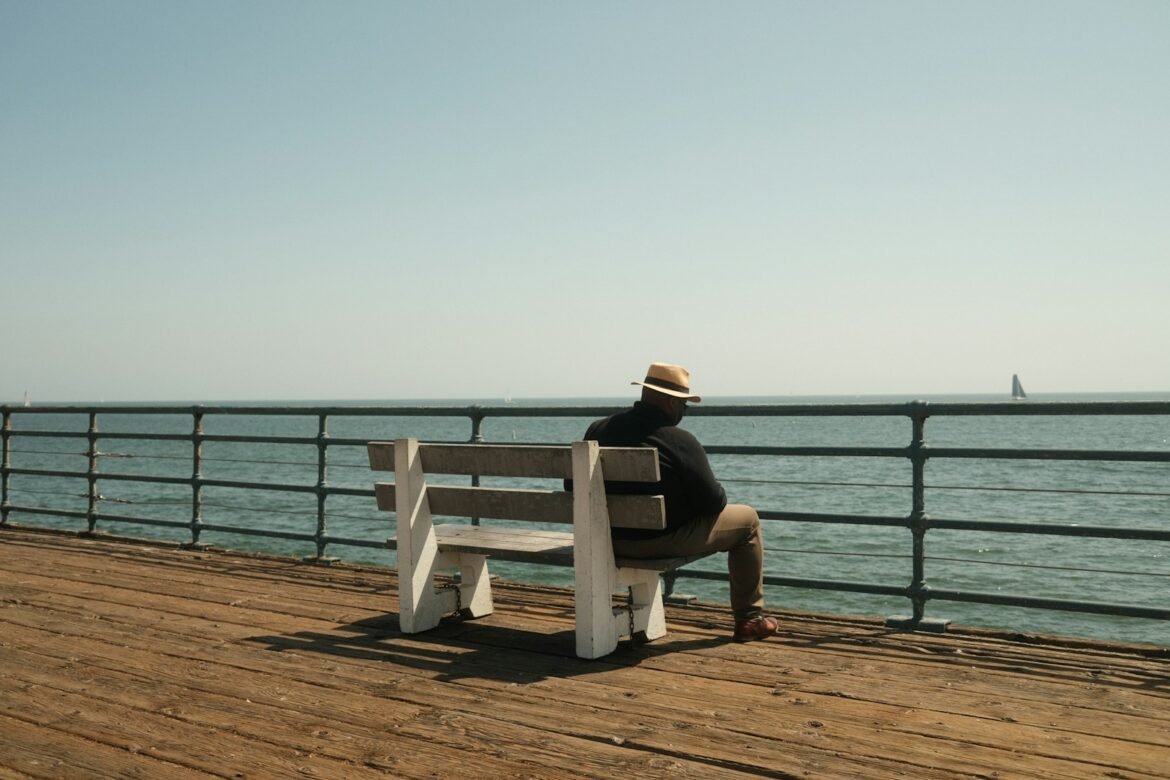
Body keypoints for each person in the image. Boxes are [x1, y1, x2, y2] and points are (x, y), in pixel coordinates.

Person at [581, 362, 778, 642]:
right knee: (748, 521)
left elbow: (572, 487)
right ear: (671, 402)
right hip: (658, 542)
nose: (685, 411)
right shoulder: (678, 440)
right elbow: (714, 503)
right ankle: (749, 619)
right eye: (685, 404)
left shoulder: (597, 430)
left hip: (606, 541)